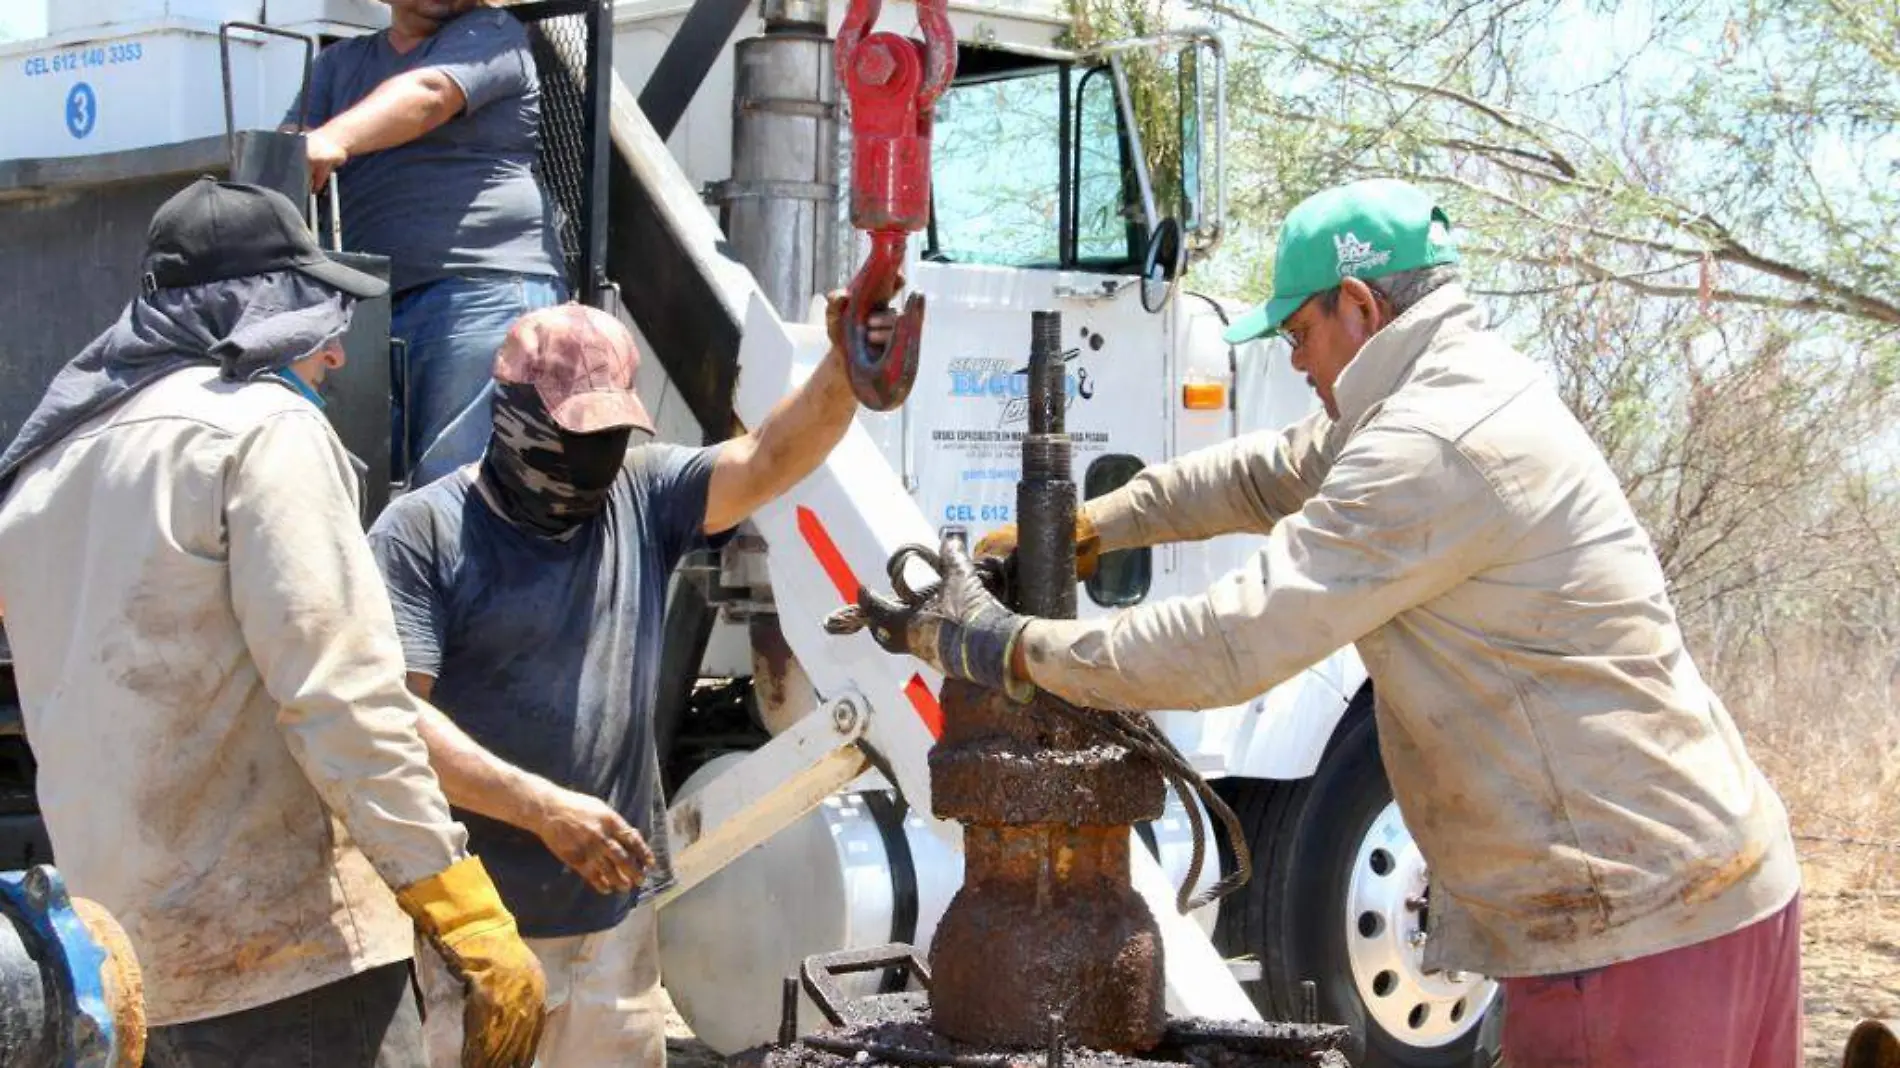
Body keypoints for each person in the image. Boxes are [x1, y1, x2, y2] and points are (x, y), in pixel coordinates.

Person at [852, 179, 1803, 1068]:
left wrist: (1009, 649)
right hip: (1706, 890)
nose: (1294, 358)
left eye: (1300, 330)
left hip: (1633, 929)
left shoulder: (1431, 445)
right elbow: (1261, 473)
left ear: (1360, 305)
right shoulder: (1448, 388)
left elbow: (1237, 641)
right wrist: (1104, 519)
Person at [0, 178, 546, 1068]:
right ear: (253, 312)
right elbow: (342, 699)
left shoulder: (44, 471)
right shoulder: (262, 433)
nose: (332, 355)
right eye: (318, 322)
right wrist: (457, 901)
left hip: (123, 975)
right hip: (291, 970)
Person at [367, 294, 892, 1066]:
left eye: (613, 432)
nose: (596, 456)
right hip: (476, 930)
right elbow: (393, 720)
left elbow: (773, 456)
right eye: (578, 433)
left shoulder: (640, 495)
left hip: (614, 927)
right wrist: (542, 809)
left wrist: (844, 371)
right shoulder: (424, 534)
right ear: (512, 415)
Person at [293, 0, 566, 485]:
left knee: (456, 490)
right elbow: (294, 145)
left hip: (480, 290)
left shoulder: (493, 33)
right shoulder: (338, 64)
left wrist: (334, 136)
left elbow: (429, 92)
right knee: (368, 490)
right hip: (369, 305)